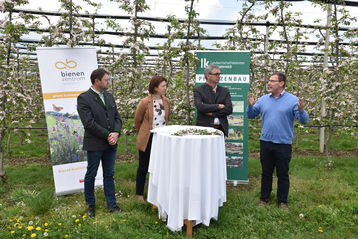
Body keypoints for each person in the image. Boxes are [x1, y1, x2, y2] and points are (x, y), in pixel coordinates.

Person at [247, 72, 309, 209]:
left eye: (272, 81)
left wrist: (301, 110)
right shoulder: (263, 99)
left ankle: (282, 201)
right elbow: (251, 116)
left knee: (282, 174)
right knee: (266, 173)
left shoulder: (292, 100)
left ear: (281, 83)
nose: (269, 83)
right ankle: (264, 199)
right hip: (266, 142)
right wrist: (250, 106)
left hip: (283, 143)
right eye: (269, 81)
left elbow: (303, 120)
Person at [77, 68, 122, 217]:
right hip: (95, 143)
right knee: (91, 174)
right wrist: (108, 134)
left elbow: (117, 118)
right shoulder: (84, 98)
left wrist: (116, 133)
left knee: (109, 174)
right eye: (106, 80)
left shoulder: (109, 96)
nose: (109, 82)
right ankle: (90, 204)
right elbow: (89, 123)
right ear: (97, 81)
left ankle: (112, 204)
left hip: (111, 143)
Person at [134, 76, 170, 201]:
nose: (165, 88)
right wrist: (143, 133)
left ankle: (157, 192)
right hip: (148, 137)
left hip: (162, 138)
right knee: (143, 166)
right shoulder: (145, 102)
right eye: (163, 86)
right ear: (155, 88)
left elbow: (166, 119)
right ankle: (139, 194)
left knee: (160, 165)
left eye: (165, 85)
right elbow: (137, 121)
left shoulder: (166, 101)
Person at [194, 64, 233, 136]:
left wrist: (212, 113)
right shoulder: (199, 90)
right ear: (208, 76)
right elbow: (200, 107)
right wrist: (218, 106)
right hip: (204, 128)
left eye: (219, 74)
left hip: (221, 128)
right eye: (216, 74)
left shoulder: (225, 91)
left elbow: (229, 109)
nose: (219, 76)